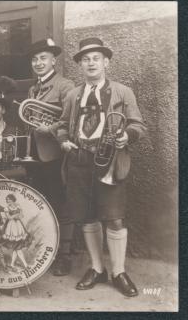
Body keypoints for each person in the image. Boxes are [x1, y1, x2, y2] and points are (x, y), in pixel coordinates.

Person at [56, 37, 146, 297]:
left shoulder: (122, 91)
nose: (91, 63)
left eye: (96, 58)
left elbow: (138, 125)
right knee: (86, 216)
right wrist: (63, 141)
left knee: (115, 218)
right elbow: (62, 124)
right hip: (79, 161)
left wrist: (126, 135)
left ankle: (118, 271)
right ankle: (97, 268)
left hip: (110, 160)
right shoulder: (74, 95)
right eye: (85, 59)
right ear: (80, 65)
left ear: (106, 62)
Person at [0, 38, 76, 276]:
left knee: (60, 203)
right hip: (37, 156)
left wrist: (50, 129)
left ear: (54, 60)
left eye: (43, 58)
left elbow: (71, 120)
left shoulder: (65, 85)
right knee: (42, 203)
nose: (38, 63)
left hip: (56, 154)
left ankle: (64, 255)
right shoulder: (34, 89)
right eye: (34, 59)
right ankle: (48, 249)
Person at [1, 194, 31, 269]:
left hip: (18, 227)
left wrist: (18, 215)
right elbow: (9, 217)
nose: (7, 201)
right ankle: (25, 265)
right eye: (7, 199)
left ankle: (12, 264)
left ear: (12, 199)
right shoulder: (6, 208)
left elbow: (22, 216)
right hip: (11, 228)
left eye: (9, 199)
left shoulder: (18, 206)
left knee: (16, 248)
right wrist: (16, 215)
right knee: (17, 248)